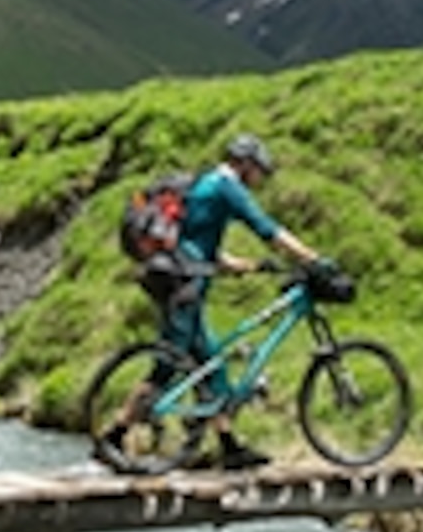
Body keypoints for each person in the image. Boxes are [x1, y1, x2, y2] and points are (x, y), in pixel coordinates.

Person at [111, 133, 326, 470]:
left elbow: (191, 237)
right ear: (244, 164)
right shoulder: (226, 186)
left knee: (211, 366)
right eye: (258, 171)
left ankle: (229, 447)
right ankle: (115, 434)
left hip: (177, 275)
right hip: (184, 283)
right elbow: (266, 228)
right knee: (168, 365)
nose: (259, 179)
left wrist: (238, 264)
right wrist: (314, 259)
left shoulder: (204, 184)